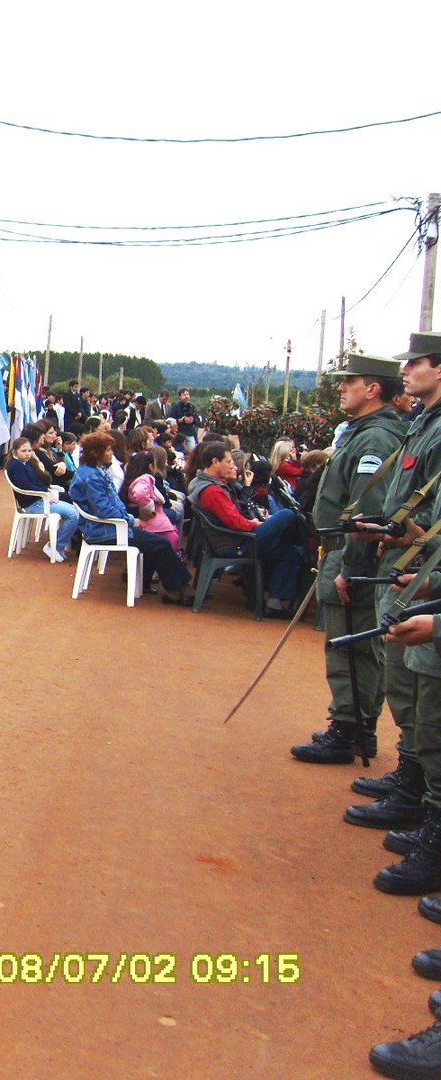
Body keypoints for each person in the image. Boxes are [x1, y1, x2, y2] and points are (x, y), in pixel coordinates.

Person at [346, 332, 441, 890]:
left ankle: (422, 802)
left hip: (421, 564)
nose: (407, 371)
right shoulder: (421, 423)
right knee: (409, 688)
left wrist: (415, 541)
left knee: (424, 694)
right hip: (413, 562)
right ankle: (415, 789)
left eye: (417, 363)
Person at [289, 353, 406, 768]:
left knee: (350, 647)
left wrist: (353, 568)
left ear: (373, 389)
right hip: (345, 551)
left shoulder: (374, 437)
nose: (341, 387)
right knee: (355, 645)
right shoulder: (367, 432)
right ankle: (355, 726)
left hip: (353, 554)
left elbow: (367, 509)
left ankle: (349, 730)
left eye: (349, 381)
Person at [187, 441, 305, 617]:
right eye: (228, 461)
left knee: (289, 552)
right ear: (215, 462)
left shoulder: (200, 481)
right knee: (287, 515)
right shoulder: (212, 490)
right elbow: (235, 523)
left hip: (232, 539)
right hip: (236, 543)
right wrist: (257, 524)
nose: (232, 465)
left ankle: (275, 604)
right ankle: (306, 547)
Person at [70, 431, 191, 600]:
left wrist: (129, 518)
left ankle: (149, 584)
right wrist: (131, 520)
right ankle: (177, 590)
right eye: (108, 450)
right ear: (95, 453)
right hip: (103, 531)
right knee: (161, 543)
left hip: (108, 526)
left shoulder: (93, 471)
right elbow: (104, 510)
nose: (112, 453)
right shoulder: (91, 477)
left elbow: (113, 504)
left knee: (154, 540)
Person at [6, 436, 78, 562]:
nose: (27, 453)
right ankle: (54, 546)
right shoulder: (16, 466)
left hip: (40, 500)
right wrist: (46, 494)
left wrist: (48, 490)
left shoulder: (26, 464)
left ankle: (57, 546)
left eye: (29, 450)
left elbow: (42, 480)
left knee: (76, 511)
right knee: (74, 515)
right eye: (23, 451)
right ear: (14, 452)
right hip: (34, 504)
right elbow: (26, 486)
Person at [122, 448, 181, 552]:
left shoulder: (132, 479)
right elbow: (140, 493)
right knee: (173, 538)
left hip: (151, 520)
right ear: (150, 466)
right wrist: (148, 506)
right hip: (152, 521)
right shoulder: (145, 479)